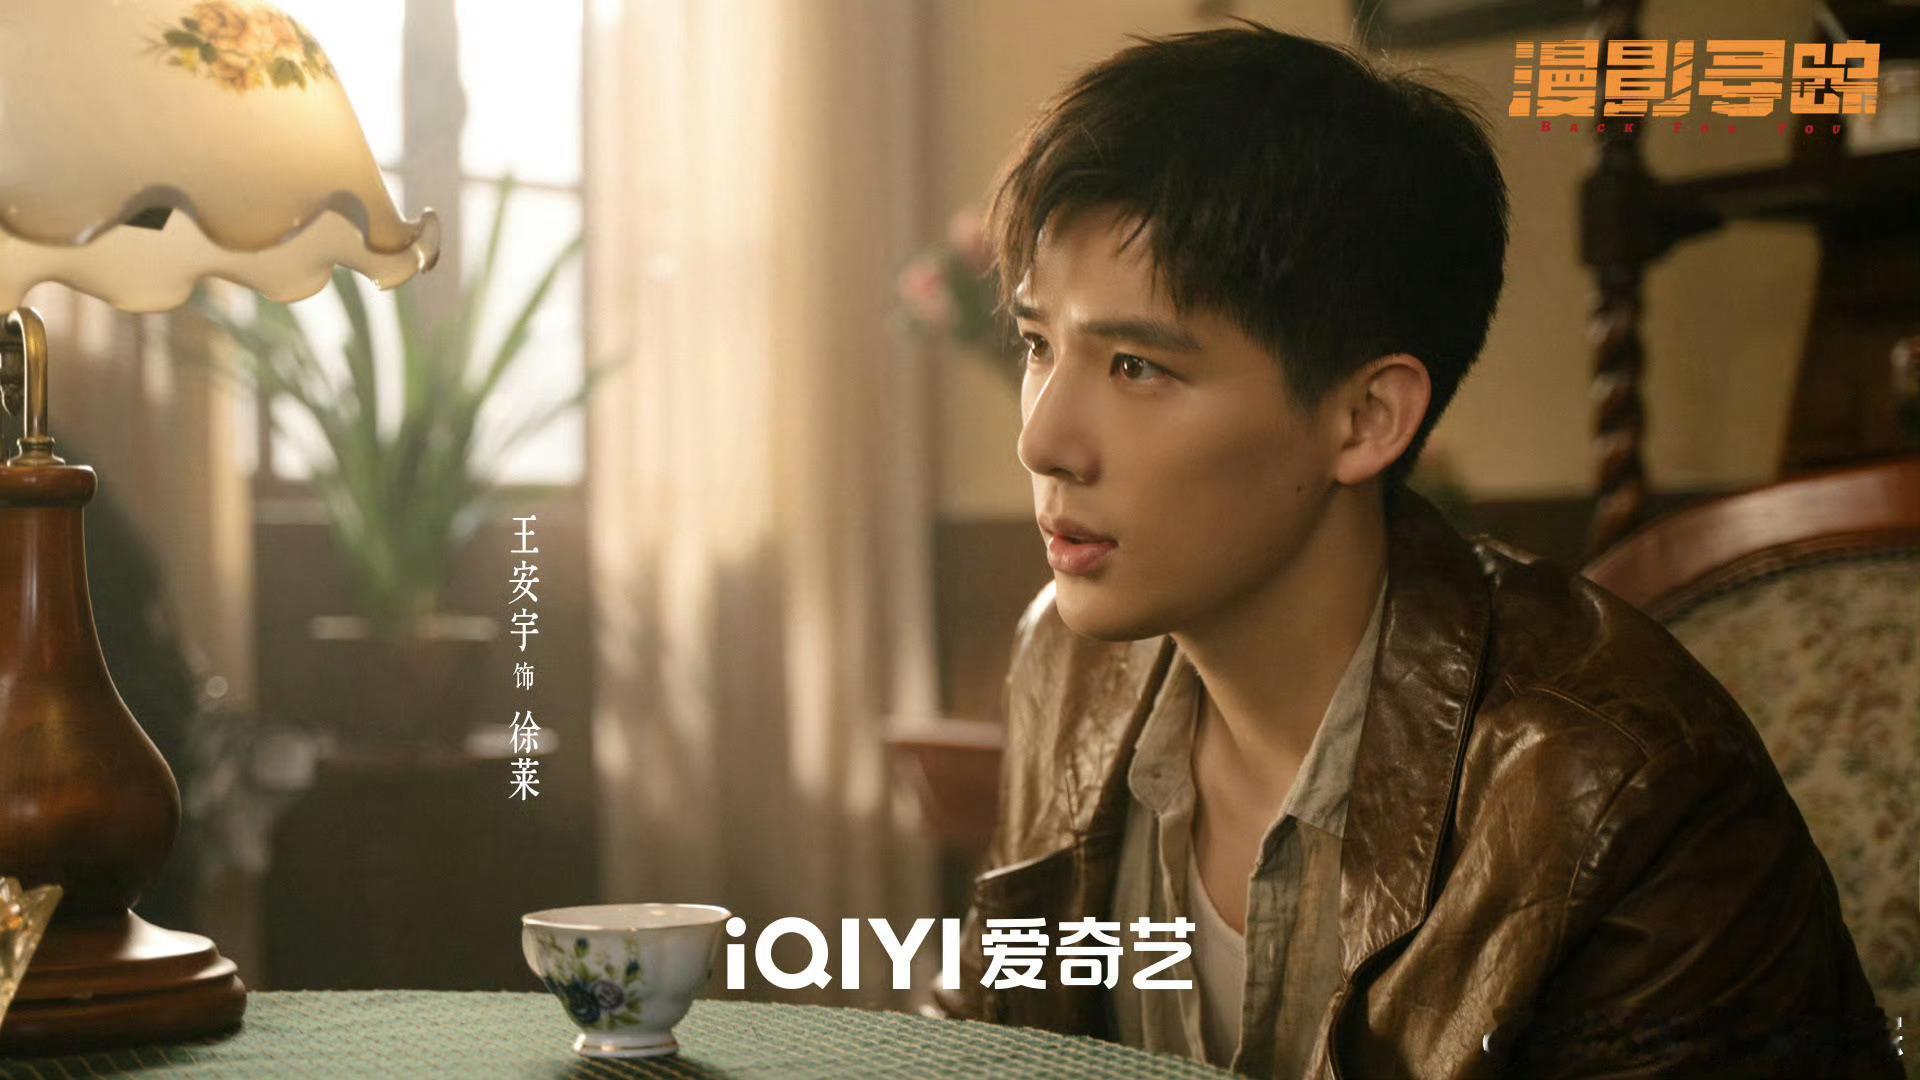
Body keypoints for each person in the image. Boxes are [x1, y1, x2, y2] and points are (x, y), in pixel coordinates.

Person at [943, 20, 1901, 1078]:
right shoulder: (1065, 659)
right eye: (1038, 344)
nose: (1042, 441)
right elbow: (978, 1042)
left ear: (1366, 419)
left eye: (1136, 366)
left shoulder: (1615, 792)